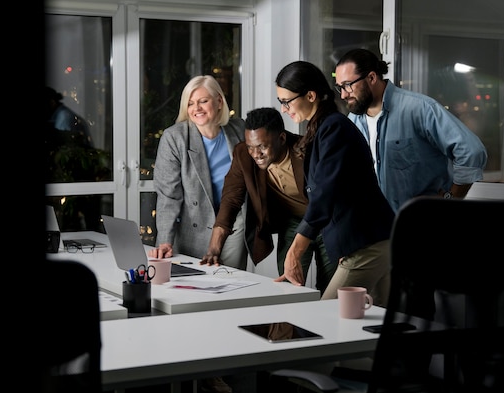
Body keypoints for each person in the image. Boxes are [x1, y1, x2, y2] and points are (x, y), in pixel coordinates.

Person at [273, 60, 395, 306]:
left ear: (310, 96)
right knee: (377, 324)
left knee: (328, 315)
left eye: (286, 101)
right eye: (281, 102)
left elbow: (325, 195)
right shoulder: (322, 129)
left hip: (368, 243)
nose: (284, 109)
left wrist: (295, 251)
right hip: (367, 242)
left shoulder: (334, 128)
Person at [334, 48, 488, 212]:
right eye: (339, 87)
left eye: (348, 85)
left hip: (418, 227)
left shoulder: (419, 109)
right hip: (375, 228)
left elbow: (471, 151)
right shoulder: (353, 121)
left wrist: (452, 198)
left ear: (371, 77)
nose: (343, 95)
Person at [201, 107, 336, 294]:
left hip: (327, 222)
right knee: (289, 288)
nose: (256, 154)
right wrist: (214, 249)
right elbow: (231, 201)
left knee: (331, 290)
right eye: (251, 147)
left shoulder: (307, 150)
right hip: (292, 224)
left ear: (281, 139)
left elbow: (327, 198)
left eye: (262, 146)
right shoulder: (243, 155)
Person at [150, 75, 248, 271]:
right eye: (191, 103)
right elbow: (169, 195)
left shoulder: (239, 130)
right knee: (194, 286)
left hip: (234, 223)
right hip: (195, 223)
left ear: (219, 101)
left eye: (203, 101)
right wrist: (165, 240)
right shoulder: (174, 138)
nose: (197, 108)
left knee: (230, 281)